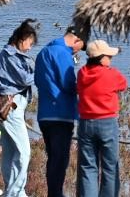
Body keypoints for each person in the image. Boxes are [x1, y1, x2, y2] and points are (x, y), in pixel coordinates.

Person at [35, 25, 86, 197]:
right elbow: (69, 83)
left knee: (53, 158)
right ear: (76, 39)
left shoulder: (44, 51)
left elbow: (37, 79)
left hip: (44, 113)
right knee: (60, 159)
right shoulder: (63, 53)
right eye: (82, 46)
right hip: (61, 113)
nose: (80, 51)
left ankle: (54, 192)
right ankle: (56, 194)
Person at [75, 39, 128, 197]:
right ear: (101, 58)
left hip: (85, 123)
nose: (110, 58)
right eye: (108, 56)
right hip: (107, 123)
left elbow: (78, 88)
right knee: (110, 167)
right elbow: (123, 84)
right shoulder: (111, 74)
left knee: (88, 167)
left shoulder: (82, 73)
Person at [0, 20, 37, 197]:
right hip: (11, 108)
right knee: (24, 151)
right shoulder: (10, 56)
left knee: (10, 151)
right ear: (22, 39)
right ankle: (16, 192)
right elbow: (24, 79)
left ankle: (12, 191)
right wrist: (40, 69)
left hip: (8, 108)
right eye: (30, 43)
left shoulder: (7, 54)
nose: (30, 48)